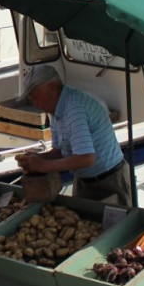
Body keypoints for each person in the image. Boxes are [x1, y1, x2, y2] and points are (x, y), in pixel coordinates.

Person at [14, 65, 129, 206]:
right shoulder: (56, 110)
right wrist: (36, 158)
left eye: (36, 97)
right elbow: (60, 151)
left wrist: (44, 166)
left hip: (110, 181)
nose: (35, 104)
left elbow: (87, 158)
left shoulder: (74, 109)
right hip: (84, 180)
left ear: (52, 89)